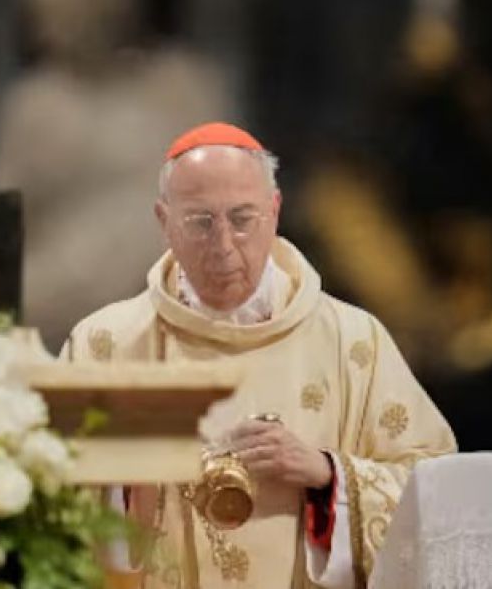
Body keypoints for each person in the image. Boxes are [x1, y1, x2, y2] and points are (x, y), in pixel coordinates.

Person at [67, 124, 456, 589]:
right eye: (200, 222)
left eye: (242, 218)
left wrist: (326, 474)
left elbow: (436, 492)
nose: (224, 245)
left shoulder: (353, 341)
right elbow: (50, 507)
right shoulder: (103, 343)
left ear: (274, 211)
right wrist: (131, 483)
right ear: (163, 221)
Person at [0, 0, 232, 338]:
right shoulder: (34, 104)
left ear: (113, 5)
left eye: (71, 5)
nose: (53, 25)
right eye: (45, 11)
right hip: (66, 281)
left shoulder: (183, 85)